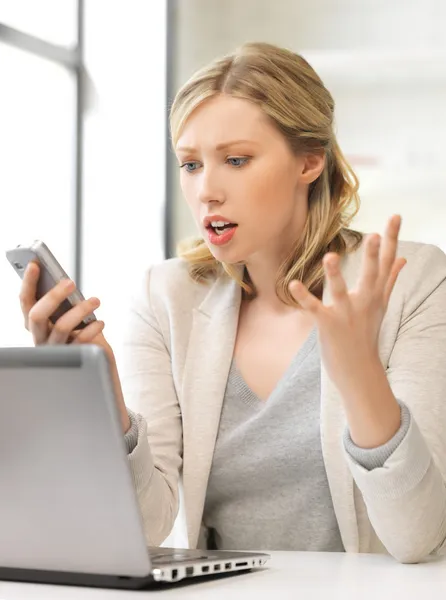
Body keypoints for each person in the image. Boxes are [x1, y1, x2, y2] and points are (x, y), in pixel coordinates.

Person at [19, 42, 446, 564]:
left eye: (236, 160)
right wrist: (97, 390)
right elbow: (147, 526)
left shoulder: (413, 281)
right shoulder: (166, 298)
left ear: (310, 161)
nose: (206, 192)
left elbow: (417, 537)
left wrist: (360, 374)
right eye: (191, 164)